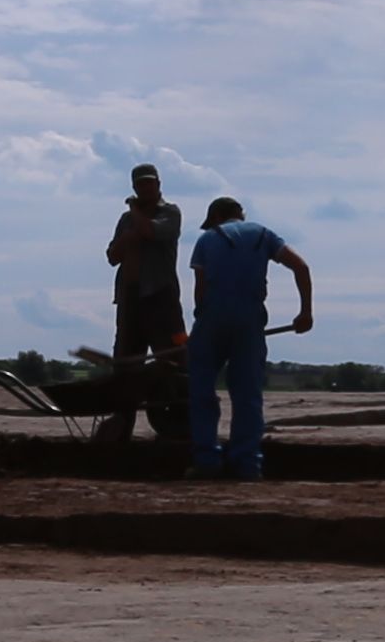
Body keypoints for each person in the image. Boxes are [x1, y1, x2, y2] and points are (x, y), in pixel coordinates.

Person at [182, 193, 313, 479]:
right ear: (239, 214)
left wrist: (201, 325)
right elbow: (301, 267)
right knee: (247, 393)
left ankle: (207, 461)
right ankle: (247, 464)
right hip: (250, 319)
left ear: (216, 217)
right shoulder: (263, 235)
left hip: (213, 316)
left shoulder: (207, 239)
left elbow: (200, 290)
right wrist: (305, 313)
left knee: (202, 389)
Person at [105, 163, 185, 459]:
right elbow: (113, 256)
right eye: (140, 185)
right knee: (125, 365)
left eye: (149, 183)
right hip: (129, 301)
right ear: (135, 187)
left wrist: (135, 213)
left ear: (158, 184)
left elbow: (151, 232)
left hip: (161, 299)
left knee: (175, 360)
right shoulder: (126, 220)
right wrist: (128, 235)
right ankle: (121, 429)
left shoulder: (170, 212)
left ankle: (182, 427)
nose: (145, 189)